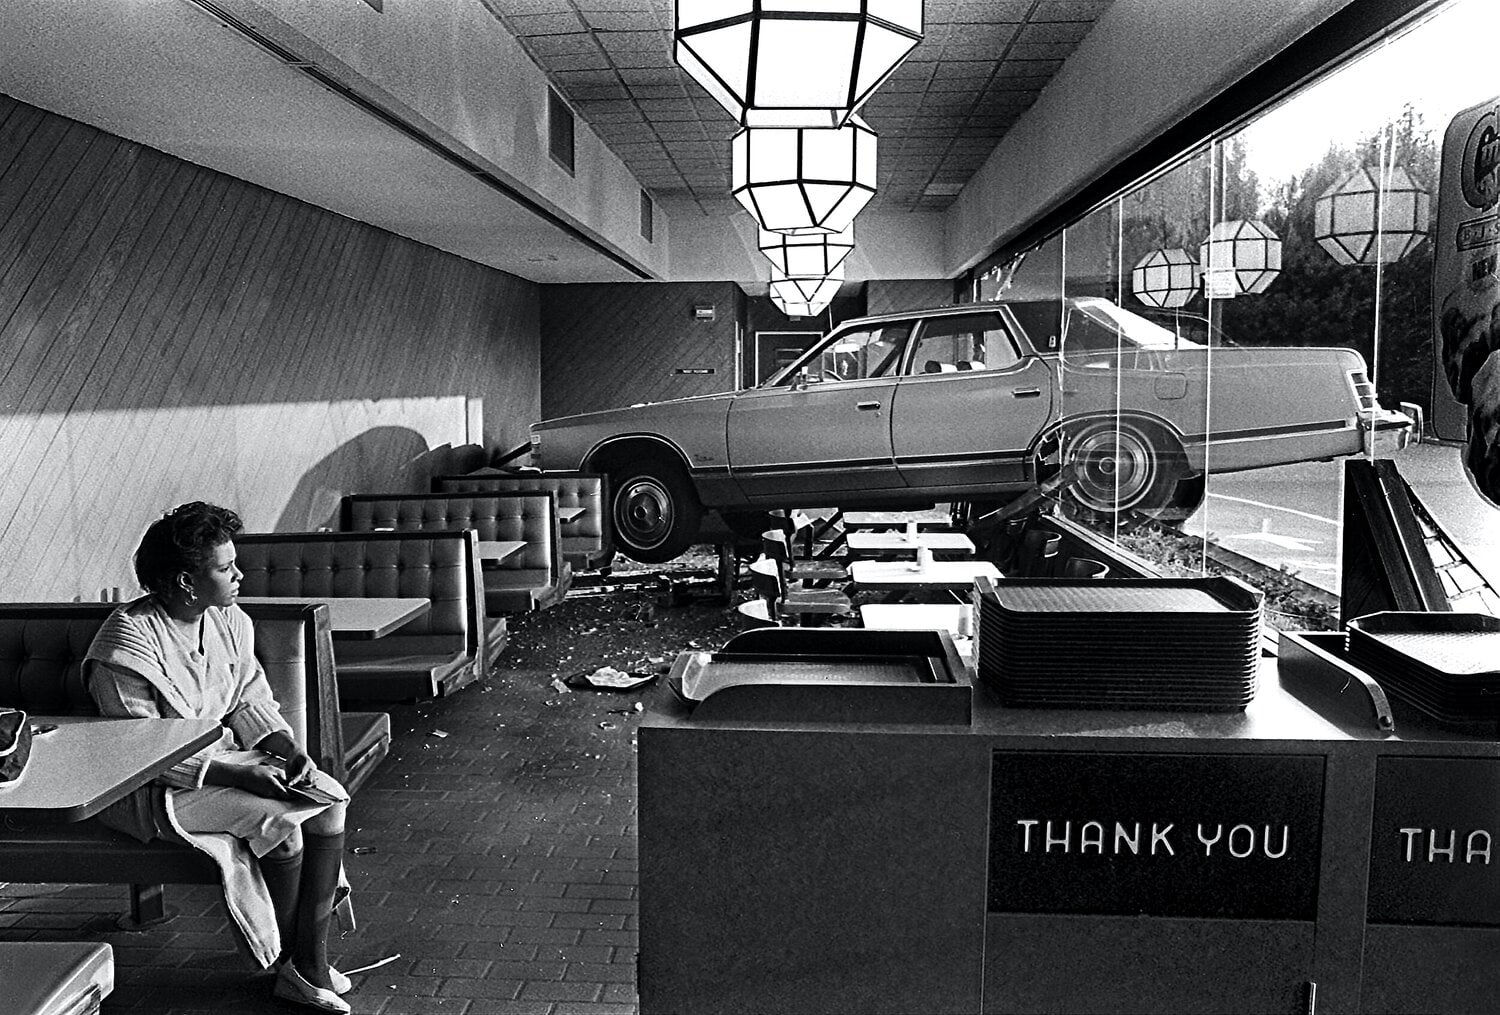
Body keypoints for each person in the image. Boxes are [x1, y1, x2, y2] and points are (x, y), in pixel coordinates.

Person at [85, 502, 354, 1013]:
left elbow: (250, 698)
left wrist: (284, 745)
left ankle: (304, 963)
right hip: (145, 791)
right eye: (226, 567)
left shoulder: (228, 619)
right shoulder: (126, 644)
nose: (239, 575)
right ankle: (302, 967)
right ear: (187, 581)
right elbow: (139, 753)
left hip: (220, 764)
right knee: (281, 821)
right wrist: (239, 775)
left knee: (330, 799)